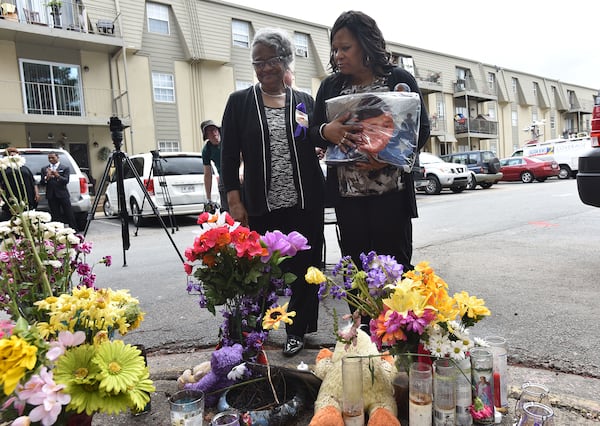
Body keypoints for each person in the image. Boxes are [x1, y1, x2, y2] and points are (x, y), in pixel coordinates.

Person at [221, 27, 325, 357]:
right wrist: (234, 200)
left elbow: (319, 140)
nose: (265, 68)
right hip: (261, 205)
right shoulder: (239, 103)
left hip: (305, 202)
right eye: (258, 62)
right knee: (261, 273)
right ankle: (259, 332)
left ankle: (297, 331)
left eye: (272, 60)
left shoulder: (305, 102)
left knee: (306, 268)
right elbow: (227, 156)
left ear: (286, 61)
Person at [309, 11, 430, 283]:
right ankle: (360, 326)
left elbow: (421, 129)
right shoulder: (330, 86)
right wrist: (328, 131)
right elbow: (313, 134)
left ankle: (396, 326)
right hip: (348, 200)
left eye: (346, 48)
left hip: (392, 197)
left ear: (366, 44)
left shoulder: (398, 79)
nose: (338, 55)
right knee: (358, 277)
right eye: (335, 49)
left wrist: (388, 159)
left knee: (394, 274)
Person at [0, 147, 39, 220]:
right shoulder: (3, 168)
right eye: (10, 153)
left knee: (28, 215)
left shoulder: (24, 167)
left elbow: (33, 181)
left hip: (27, 195)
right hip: (11, 195)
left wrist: (36, 193)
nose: (13, 155)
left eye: (15, 153)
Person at [40, 151, 76, 229]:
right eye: (49, 158)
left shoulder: (64, 168)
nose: (51, 159)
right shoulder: (44, 169)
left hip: (62, 194)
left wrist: (57, 176)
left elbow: (66, 181)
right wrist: (47, 177)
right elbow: (42, 183)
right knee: (55, 214)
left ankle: (73, 228)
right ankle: (57, 230)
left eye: (53, 157)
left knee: (68, 212)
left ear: (57, 157)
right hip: (51, 195)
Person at [200, 119, 228, 211]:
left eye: (214, 129)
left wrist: (241, 170)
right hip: (224, 178)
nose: (214, 133)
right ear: (207, 136)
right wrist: (208, 199)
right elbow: (207, 174)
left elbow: (243, 157)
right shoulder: (207, 150)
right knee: (227, 209)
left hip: (239, 174)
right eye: (210, 131)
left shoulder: (228, 140)